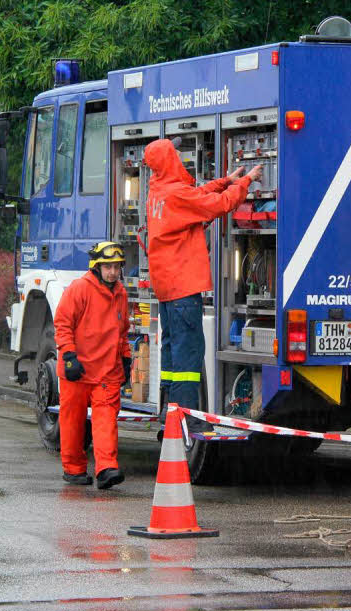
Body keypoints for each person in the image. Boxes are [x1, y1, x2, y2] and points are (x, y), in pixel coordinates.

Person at [144, 138, 262, 432]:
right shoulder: (174, 195)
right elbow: (217, 206)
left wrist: (224, 180)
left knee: (172, 354)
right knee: (189, 356)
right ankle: (186, 418)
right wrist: (245, 182)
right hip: (184, 287)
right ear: (171, 161)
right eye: (176, 154)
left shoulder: (157, 192)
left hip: (168, 290)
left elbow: (193, 196)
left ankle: (169, 412)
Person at [54, 241, 132, 489]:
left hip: (107, 371)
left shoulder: (120, 293)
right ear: (96, 267)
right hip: (77, 368)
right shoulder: (80, 289)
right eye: (107, 266)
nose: (112, 271)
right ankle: (74, 469)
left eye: (116, 267)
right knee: (72, 422)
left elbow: (122, 331)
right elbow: (63, 324)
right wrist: (68, 356)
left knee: (106, 419)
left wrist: (126, 357)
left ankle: (106, 468)